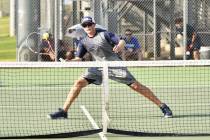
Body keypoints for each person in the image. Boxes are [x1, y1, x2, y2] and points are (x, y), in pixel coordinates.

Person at [48, 16, 173, 119]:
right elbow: (79, 58)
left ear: (94, 24)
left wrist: (120, 46)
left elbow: (122, 39)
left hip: (114, 65)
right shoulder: (83, 42)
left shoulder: (105, 35)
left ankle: (163, 106)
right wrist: (67, 62)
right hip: (98, 67)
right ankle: (64, 111)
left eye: (89, 24)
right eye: (85, 25)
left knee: (136, 86)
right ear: (83, 27)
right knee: (78, 83)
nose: (88, 27)